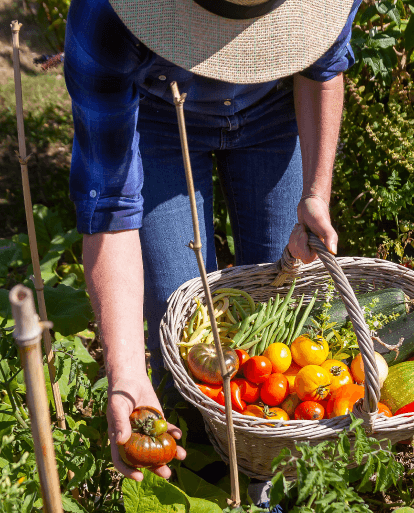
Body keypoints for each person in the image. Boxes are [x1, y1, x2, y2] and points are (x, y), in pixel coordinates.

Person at [63, 0, 362, 497]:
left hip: (273, 109)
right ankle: (202, 482)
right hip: (159, 114)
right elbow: (110, 206)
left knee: (280, 309)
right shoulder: (106, 16)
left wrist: (316, 193)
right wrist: (126, 372)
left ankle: (259, 487)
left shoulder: (322, 6)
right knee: (178, 328)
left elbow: (323, 69)